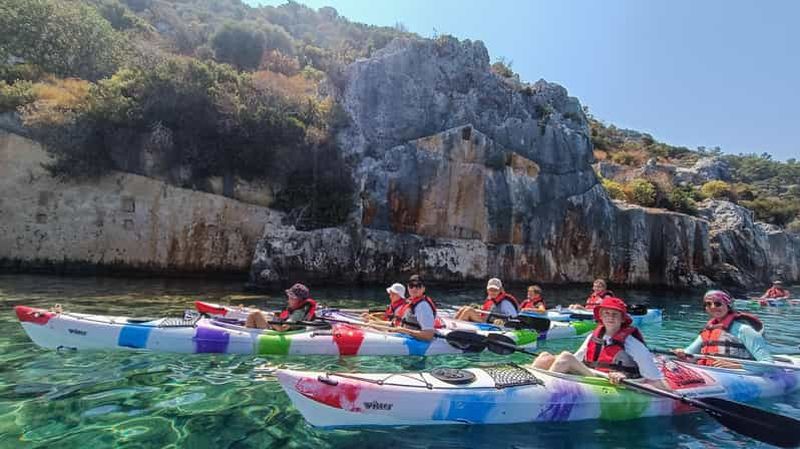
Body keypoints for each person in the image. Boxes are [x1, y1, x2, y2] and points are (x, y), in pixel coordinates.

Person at [531, 296, 665, 387]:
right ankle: (529, 383)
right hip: (594, 374)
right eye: (606, 313)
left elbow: (653, 377)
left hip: (610, 382)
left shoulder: (632, 342)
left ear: (622, 319)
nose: (610, 318)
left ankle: (543, 390)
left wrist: (625, 375)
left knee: (566, 357)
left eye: (615, 314)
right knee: (545, 357)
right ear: (601, 316)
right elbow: (578, 358)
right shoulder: (594, 336)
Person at [673, 290, 772, 368]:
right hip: (710, 371)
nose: (713, 307)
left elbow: (767, 363)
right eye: (708, 304)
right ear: (705, 308)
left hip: (738, 374)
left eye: (718, 304)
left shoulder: (744, 330)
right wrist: (681, 354)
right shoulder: (708, 331)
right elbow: (689, 353)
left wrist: (737, 366)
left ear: (728, 306)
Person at [387, 275, 440, 341]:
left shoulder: (422, 306)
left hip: (414, 340)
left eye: (418, 286)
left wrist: (405, 330)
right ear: (408, 287)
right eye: (411, 286)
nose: (414, 289)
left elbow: (428, 335)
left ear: (423, 288)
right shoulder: (412, 302)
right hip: (403, 334)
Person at [245, 283, 317, 331]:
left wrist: (270, 322)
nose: (288, 300)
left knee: (256, 314)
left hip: (277, 334)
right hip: (275, 329)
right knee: (256, 314)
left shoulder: (298, 313)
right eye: (289, 297)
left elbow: (283, 328)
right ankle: (248, 333)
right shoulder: (296, 309)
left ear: (300, 301)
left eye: (292, 298)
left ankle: (247, 336)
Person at [453, 278, 519, 324]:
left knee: (468, 311)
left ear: (500, 290)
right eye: (490, 290)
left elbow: (514, 318)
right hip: (486, 319)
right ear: (487, 290)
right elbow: (491, 308)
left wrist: (503, 322)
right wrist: (479, 307)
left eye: (495, 290)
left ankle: (455, 329)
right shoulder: (491, 298)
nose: (492, 292)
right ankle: (452, 324)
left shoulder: (505, 303)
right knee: (464, 308)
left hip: (490, 323)